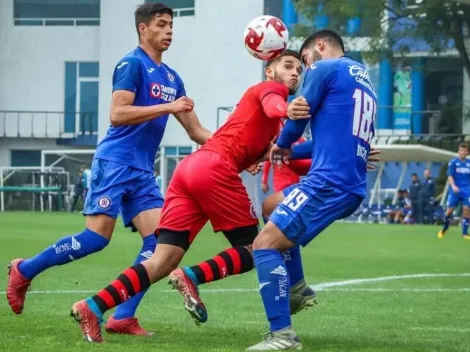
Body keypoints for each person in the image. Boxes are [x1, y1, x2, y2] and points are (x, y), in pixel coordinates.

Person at [69, 49, 311, 343]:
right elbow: (275, 105)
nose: (295, 72)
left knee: (162, 259)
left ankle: (93, 307)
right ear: (269, 71)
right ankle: (192, 276)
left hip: (189, 171)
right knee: (256, 248)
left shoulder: (269, 119)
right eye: (288, 66)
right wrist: (286, 109)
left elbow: (281, 149)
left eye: (299, 69)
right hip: (214, 170)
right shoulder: (269, 91)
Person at [6, 2, 211, 336]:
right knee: (95, 239)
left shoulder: (173, 78)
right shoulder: (131, 63)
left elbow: (196, 131)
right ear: (143, 29)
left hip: (143, 171)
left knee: (158, 244)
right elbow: (117, 113)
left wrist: (236, 148)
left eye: (171, 25)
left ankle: (122, 316)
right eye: (161, 24)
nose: (169, 30)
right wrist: (167, 106)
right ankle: (24, 270)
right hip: (114, 162)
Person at [246, 29, 376, 350]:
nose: (305, 69)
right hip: (348, 183)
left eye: (303, 61)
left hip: (328, 182)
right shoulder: (365, 80)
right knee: (271, 207)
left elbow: (299, 116)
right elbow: (328, 139)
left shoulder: (324, 68)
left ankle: (283, 336)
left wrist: (283, 142)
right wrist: (289, 152)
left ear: (319, 46)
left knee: (263, 244)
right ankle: (299, 287)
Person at [438, 143, 470, 239]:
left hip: (466, 190)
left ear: (467, 152)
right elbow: (450, 176)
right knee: (449, 211)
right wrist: (453, 186)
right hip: (455, 190)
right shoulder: (453, 162)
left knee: (466, 210)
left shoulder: (469, 163)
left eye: (464, 150)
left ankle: (464, 233)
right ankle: (444, 228)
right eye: (461, 150)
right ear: (458, 151)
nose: (463, 152)